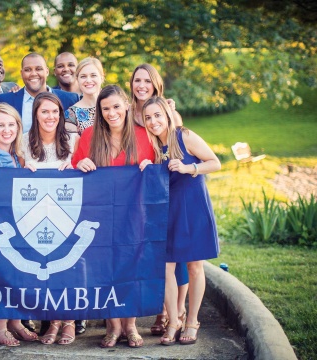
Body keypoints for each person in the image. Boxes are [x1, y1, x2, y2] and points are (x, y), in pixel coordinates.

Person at [72, 85, 155, 348]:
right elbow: (75, 167)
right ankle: (112, 326)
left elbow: (158, 168)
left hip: (134, 214)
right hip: (100, 214)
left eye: (116, 106)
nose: (111, 113)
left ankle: (130, 326)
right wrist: (79, 164)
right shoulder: (88, 136)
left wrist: (151, 168)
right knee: (105, 269)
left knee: (130, 267)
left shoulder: (144, 136)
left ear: (127, 106)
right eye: (105, 108)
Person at [139, 96, 221, 346]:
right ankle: (173, 321)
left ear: (166, 114)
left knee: (195, 266)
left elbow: (214, 163)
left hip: (193, 206)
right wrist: (145, 165)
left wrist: (189, 168)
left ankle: (192, 321)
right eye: (148, 118)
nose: (154, 122)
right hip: (167, 211)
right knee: (166, 268)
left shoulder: (184, 136)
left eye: (157, 116)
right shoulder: (151, 146)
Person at [128, 63, 189, 335]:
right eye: (137, 80)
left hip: (170, 183)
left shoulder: (166, 110)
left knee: (176, 250)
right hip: (142, 181)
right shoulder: (128, 111)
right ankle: (162, 308)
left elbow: (179, 146)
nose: (141, 85)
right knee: (155, 252)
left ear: (156, 84)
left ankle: (174, 310)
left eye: (147, 81)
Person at [0, 103, 39, 346]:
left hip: (16, 224)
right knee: (5, 273)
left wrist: (27, 171)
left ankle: (14, 322)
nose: (6, 129)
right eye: (1, 125)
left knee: (20, 273)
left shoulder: (16, 156)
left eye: (11, 124)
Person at [18, 92, 78, 345]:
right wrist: (23, 169)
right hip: (35, 213)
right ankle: (53, 321)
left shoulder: (73, 139)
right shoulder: (23, 141)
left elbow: (87, 167)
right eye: (45, 111)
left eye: (55, 112)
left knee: (69, 266)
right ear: (36, 115)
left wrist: (75, 165)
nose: (50, 116)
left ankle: (70, 322)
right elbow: (14, 174)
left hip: (68, 210)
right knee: (47, 266)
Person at [0, 53, 79, 133]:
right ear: (21, 73)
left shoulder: (70, 99)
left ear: (46, 71)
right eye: (28, 70)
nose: (33, 74)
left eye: (38, 69)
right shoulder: (6, 100)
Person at [66, 57, 105, 135]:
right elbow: (72, 146)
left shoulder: (115, 106)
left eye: (93, 75)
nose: (88, 80)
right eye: (83, 76)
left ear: (102, 77)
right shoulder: (71, 115)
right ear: (77, 80)